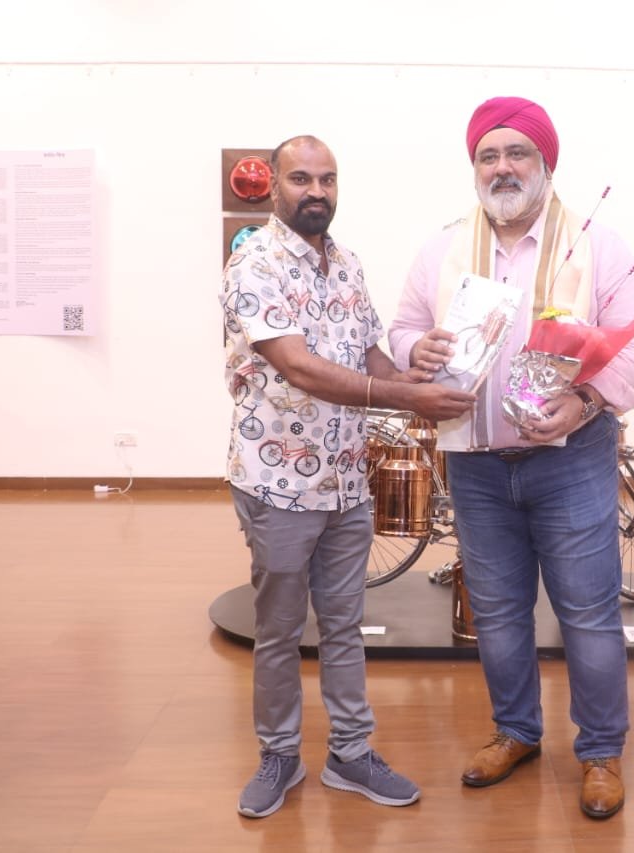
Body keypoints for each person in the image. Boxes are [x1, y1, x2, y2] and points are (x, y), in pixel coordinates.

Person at [389, 96, 634, 819]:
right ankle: (515, 731)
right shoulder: (443, 250)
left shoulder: (596, 245)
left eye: (518, 154)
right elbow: (403, 326)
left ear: (545, 164)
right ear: (474, 167)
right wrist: (416, 347)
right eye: (489, 155)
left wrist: (588, 400)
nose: (502, 168)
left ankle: (600, 751)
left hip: (571, 458)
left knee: (588, 612)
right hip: (475, 462)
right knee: (499, 611)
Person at [221, 135, 474, 819]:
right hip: (278, 484)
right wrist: (403, 398)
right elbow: (299, 367)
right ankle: (279, 753)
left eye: (327, 179)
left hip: (346, 482)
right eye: (301, 178)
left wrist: (419, 374)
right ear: (275, 186)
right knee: (279, 629)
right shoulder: (254, 264)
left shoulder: (349, 264)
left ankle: (350, 753)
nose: (317, 192)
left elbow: (369, 357)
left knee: (345, 625)